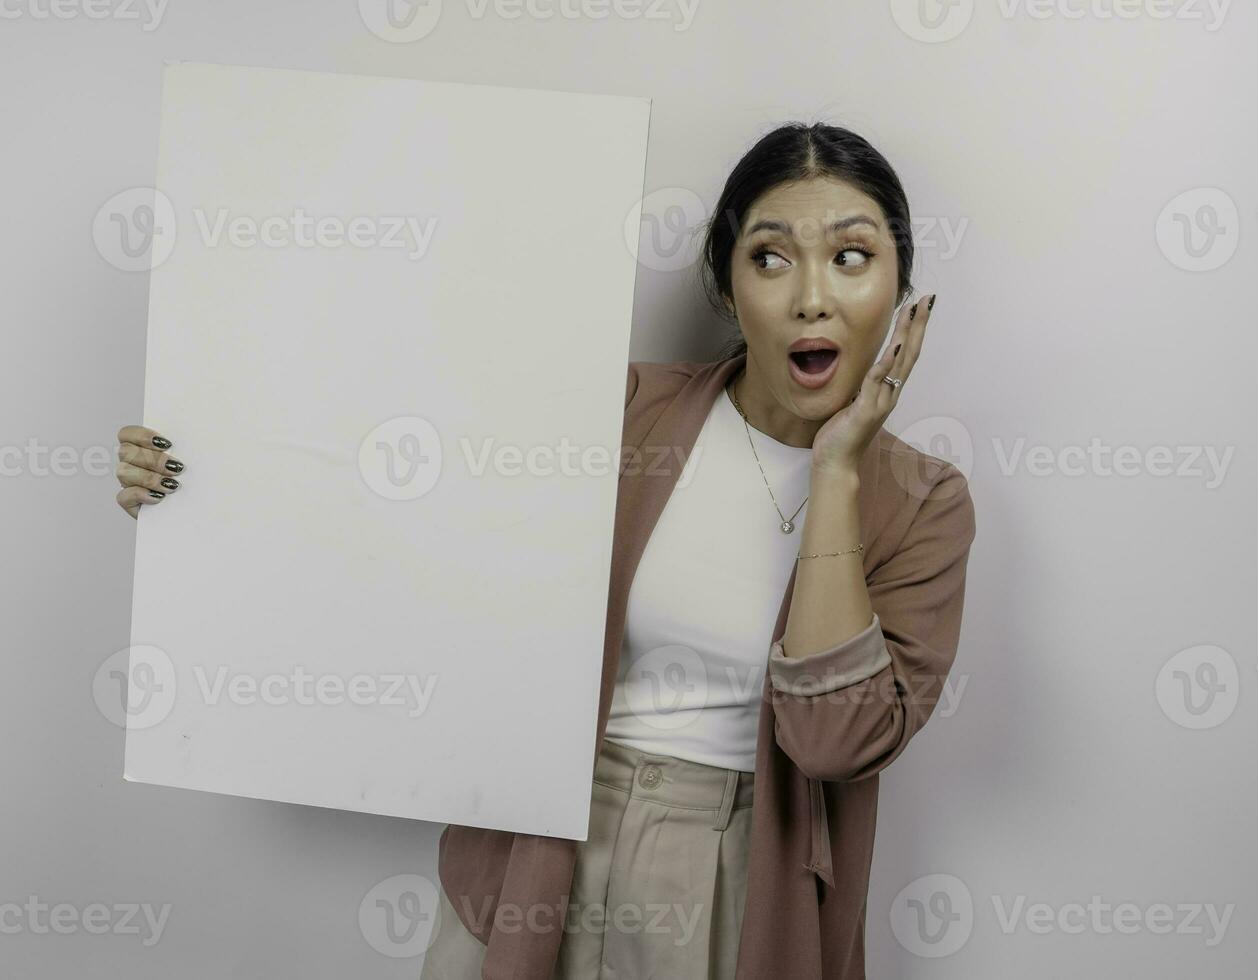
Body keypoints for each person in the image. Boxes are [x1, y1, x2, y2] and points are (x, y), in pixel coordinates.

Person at [113, 121, 974, 980]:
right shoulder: (620, 409)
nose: (810, 298)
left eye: (852, 257)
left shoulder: (922, 503)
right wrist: (201, 484)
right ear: (726, 281)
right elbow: (400, 508)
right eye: (771, 257)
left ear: (901, 283)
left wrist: (837, 473)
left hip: (741, 880)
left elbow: (833, 743)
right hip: (541, 845)